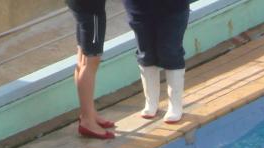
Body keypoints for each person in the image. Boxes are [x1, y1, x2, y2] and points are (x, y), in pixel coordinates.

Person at [124, 0, 191, 123]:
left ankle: (175, 105)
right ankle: (151, 103)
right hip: (138, 7)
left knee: (170, 52)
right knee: (145, 54)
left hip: (173, 7)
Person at [67, 0, 116, 139]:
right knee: (91, 61)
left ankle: (89, 113)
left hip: (83, 7)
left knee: (83, 58)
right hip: (91, 8)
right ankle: (88, 120)